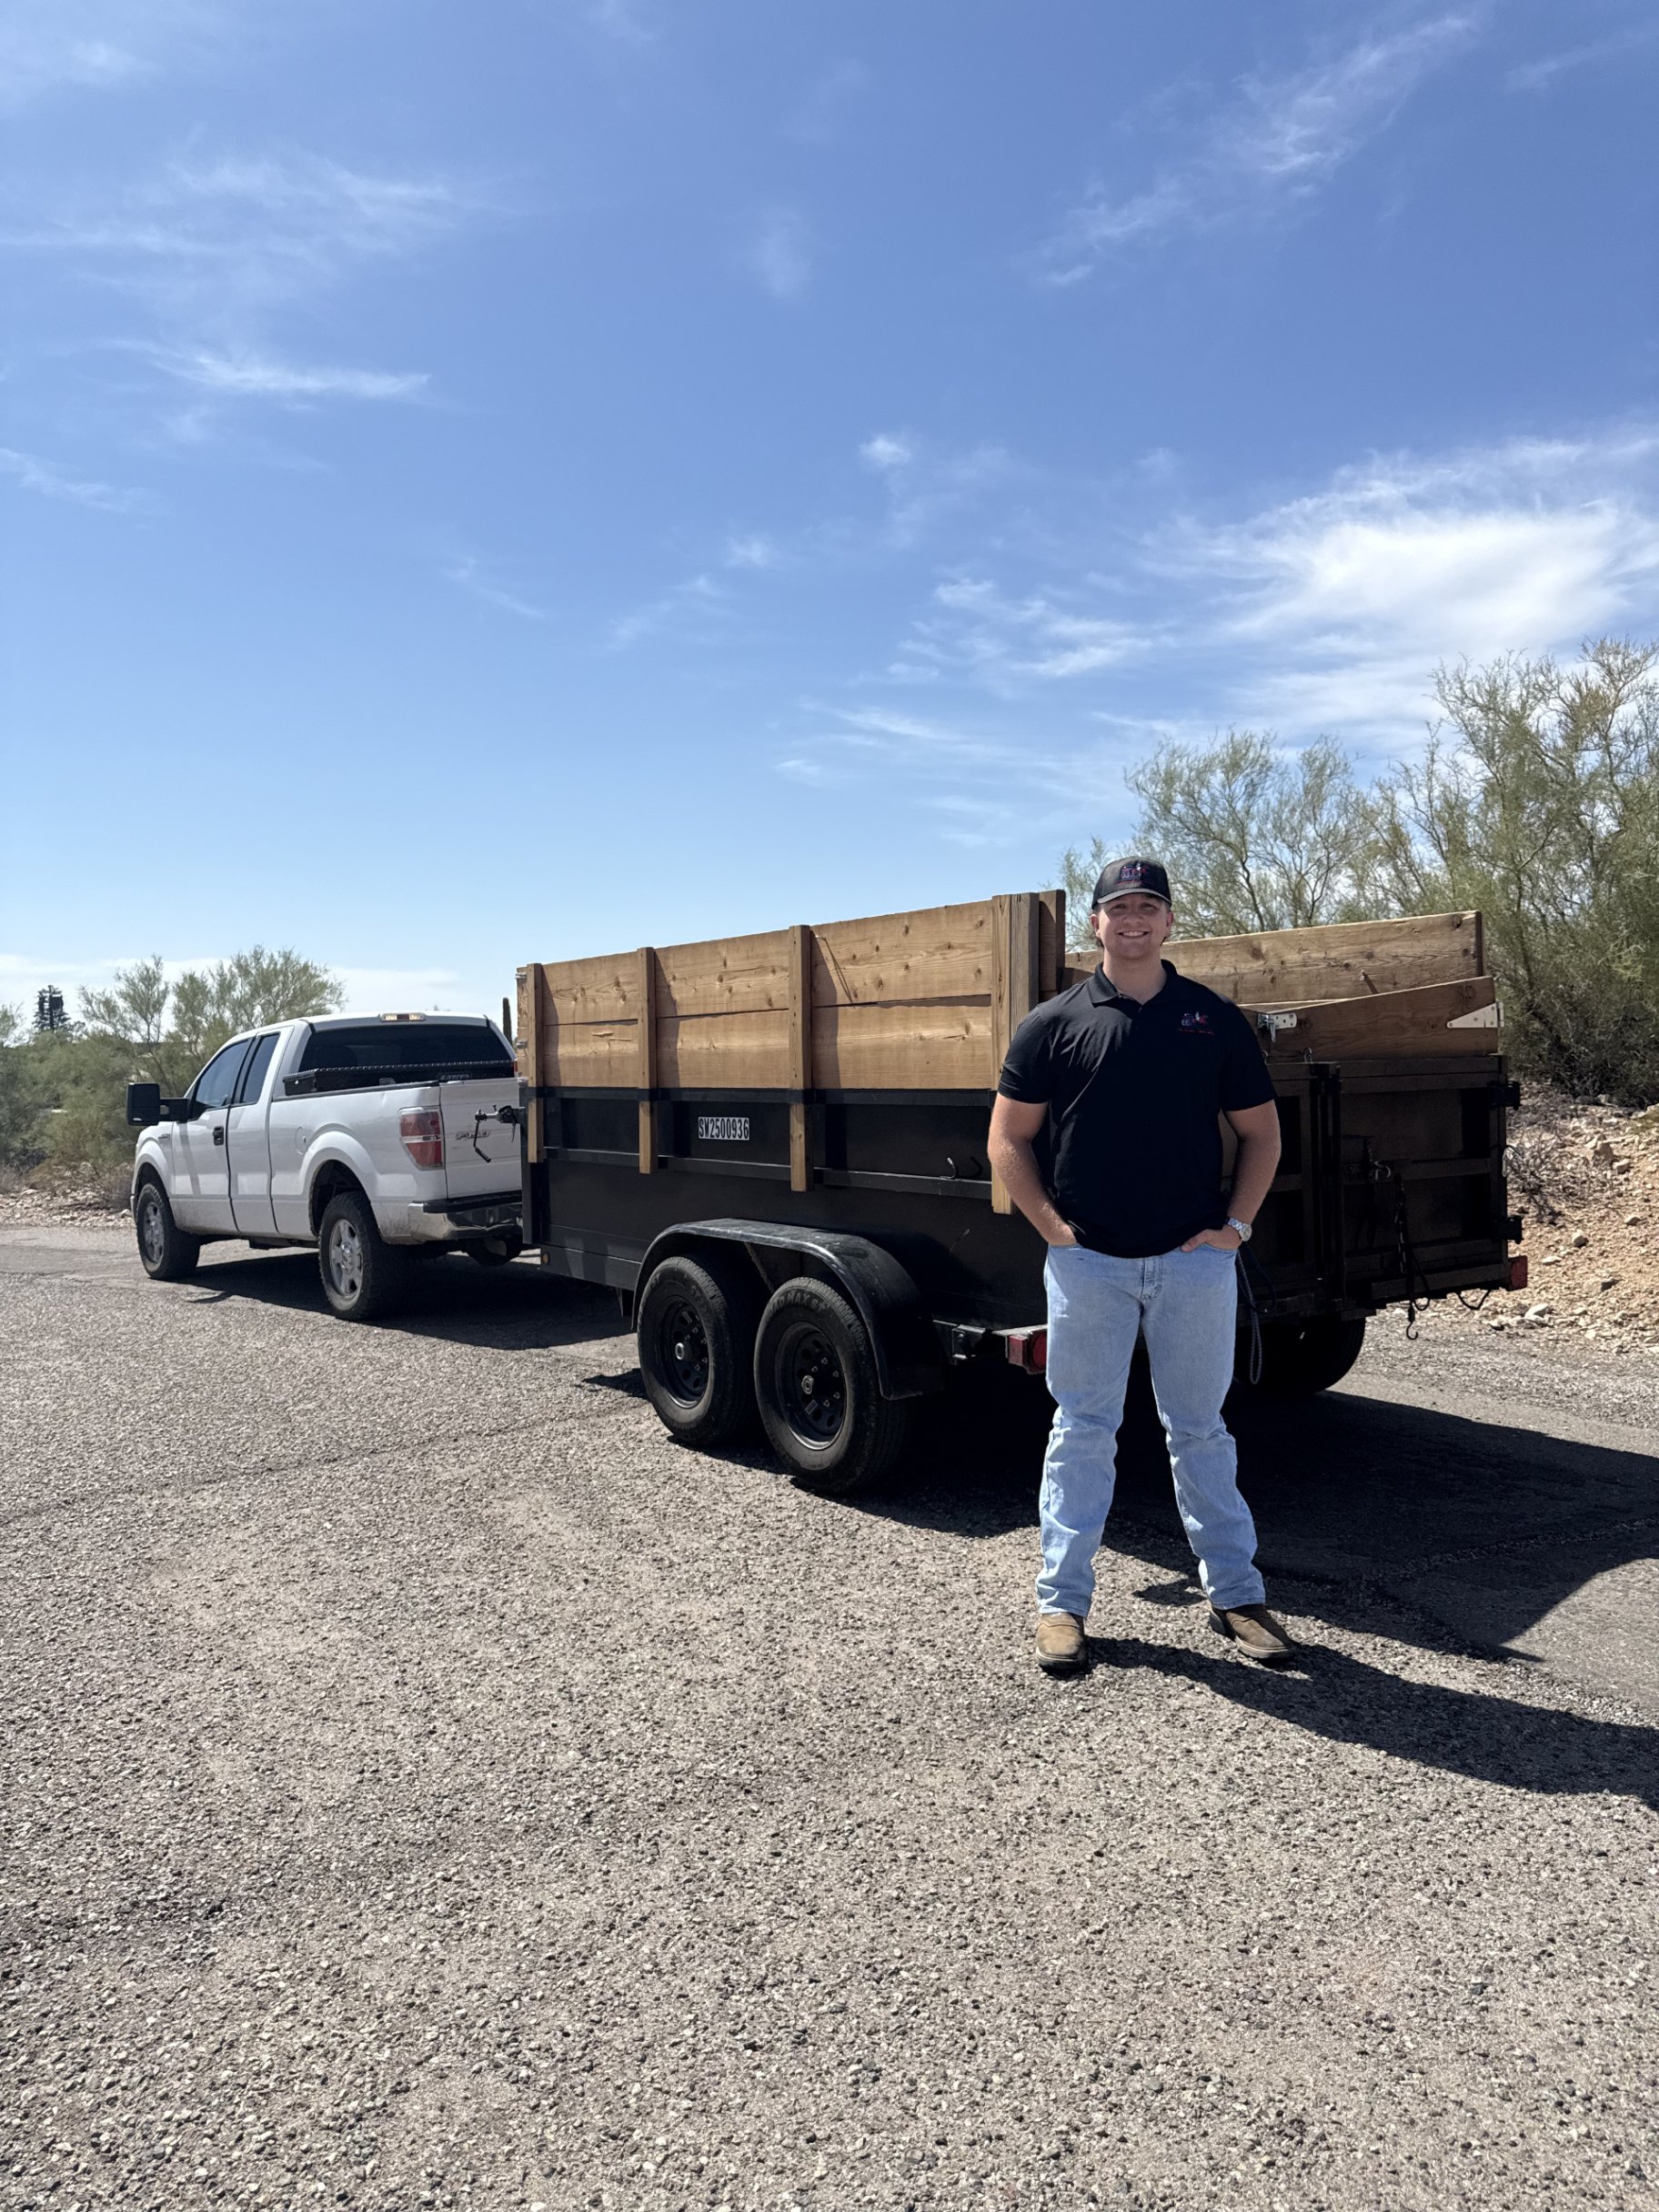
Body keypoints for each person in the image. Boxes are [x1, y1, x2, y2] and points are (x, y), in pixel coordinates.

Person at [987, 857, 1294, 1674]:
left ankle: (1236, 1596)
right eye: (1118, 906)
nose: (1133, 919)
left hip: (1193, 1262)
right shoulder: (1051, 1024)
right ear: (1097, 923)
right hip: (1090, 1267)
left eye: (1148, 906)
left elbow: (1262, 1133)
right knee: (1083, 1433)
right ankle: (1062, 1606)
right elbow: (1008, 1139)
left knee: (1201, 1432)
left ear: (1167, 922)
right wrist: (1055, 1230)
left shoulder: (1211, 1019)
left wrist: (1235, 1226)